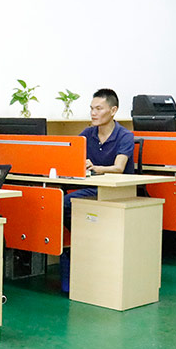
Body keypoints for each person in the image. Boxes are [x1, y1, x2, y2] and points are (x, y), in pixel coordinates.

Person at [60, 88, 134, 292]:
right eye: (91, 108)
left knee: (66, 203)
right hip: (92, 188)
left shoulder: (125, 136)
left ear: (113, 110)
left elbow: (119, 168)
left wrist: (96, 168)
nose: (93, 113)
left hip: (116, 191)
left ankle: (85, 238)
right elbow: (70, 154)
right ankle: (84, 238)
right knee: (58, 202)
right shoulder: (87, 134)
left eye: (99, 109)